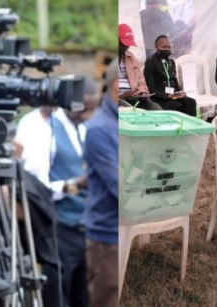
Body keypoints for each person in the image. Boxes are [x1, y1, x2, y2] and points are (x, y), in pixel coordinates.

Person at [14, 76, 100, 307]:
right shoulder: (41, 127)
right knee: (57, 297)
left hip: (85, 229)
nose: (87, 116)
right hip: (58, 229)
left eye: (92, 110)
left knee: (83, 296)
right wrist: (76, 185)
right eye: (84, 110)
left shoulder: (81, 127)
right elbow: (35, 190)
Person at [84, 59, 118, 307]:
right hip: (107, 236)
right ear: (116, 84)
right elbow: (118, 185)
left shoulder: (118, 120)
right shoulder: (99, 129)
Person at [144, 35, 197, 116]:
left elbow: (174, 81)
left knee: (191, 102)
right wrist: (167, 96)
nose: (167, 50)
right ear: (156, 47)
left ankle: (191, 126)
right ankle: (179, 127)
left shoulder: (171, 62)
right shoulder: (150, 62)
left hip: (173, 95)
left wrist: (180, 92)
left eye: (169, 47)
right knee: (179, 107)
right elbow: (151, 90)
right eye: (164, 47)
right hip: (159, 98)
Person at [118, 24, 163, 111]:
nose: (126, 47)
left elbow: (141, 83)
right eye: (123, 44)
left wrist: (142, 92)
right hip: (116, 100)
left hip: (133, 98)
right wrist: (120, 96)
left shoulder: (131, 58)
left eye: (128, 44)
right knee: (129, 112)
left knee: (156, 110)